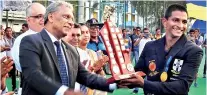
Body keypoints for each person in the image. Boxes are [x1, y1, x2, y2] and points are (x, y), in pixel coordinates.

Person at [19, 1, 116, 95]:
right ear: (51, 17)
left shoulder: (71, 50)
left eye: (72, 19)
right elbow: (33, 75)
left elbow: (85, 77)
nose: (71, 23)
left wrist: (115, 83)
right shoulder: (31, 41)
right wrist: (63, 92)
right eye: (66, 17)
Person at [118, 4, 203, 95]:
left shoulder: (194, 51)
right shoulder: (150, 46)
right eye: (176, 20)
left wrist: (144, 84)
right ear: (164, 22)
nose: (180, 25)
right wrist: (123, 76)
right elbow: (139, 72)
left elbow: (182, 87)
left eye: (184, 22)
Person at [11, 2, 46, 72]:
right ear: (28, 19)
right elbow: (22, 66)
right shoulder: (21, 39)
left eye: (45, 16)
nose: (43, 19)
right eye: (39, 16)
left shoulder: (53, 37)